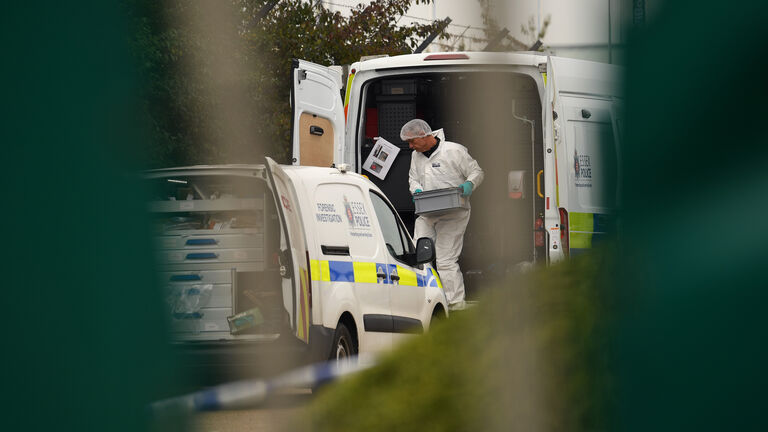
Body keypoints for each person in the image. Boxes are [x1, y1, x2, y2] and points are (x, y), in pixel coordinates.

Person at [401, 119, 484, 310]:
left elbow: (477, 171)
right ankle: (425, 303)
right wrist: (417, 192)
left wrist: (469, 184)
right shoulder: (416, 155)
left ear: (425, 135)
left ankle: (454, 305)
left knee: (445, 260)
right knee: (418, 255)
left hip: (454, 213)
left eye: (412, 141)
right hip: (427, 212)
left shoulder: (453, 151)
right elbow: (413, 179)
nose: (410, 146)